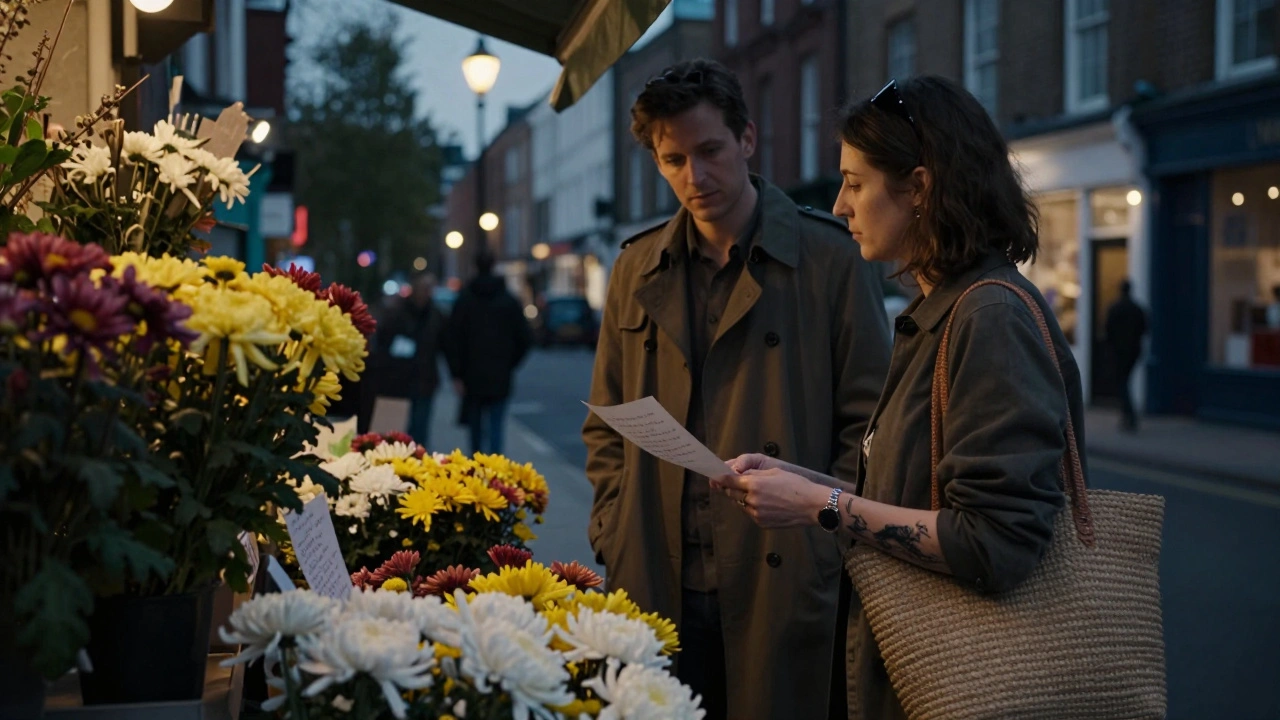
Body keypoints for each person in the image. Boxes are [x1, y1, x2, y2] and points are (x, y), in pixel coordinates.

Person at [710, 76, 1084, 720]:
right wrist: (799, 484)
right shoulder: (940, 312)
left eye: (855, 183)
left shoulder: (989, 318)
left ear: (919, 188)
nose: (839, 205)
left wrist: (819, 504)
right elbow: (915, 494)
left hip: (963, 686)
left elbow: (995, 541)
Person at [582, 58, 891, 720]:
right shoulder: (636, 266)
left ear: (747, 139)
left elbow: (872, 426)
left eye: (710, 151)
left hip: (784, 573)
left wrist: (827, 539)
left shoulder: (831, 257)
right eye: (673, 160)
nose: (694, 177)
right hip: (656, 574)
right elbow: (606, 421)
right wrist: (614, 529)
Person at [444, 252, 533, 454]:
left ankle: (477, 464)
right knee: (496, 428)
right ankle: (494, 466)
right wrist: (509, 363)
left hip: (472, 375)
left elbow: (452, 339)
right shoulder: (508, 301)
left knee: (475, 430)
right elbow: (525, 338)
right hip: (499, 375)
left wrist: (457, 373)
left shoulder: (465, 300)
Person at [373, 271, 447, 447]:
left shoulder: (436, 316)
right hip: (396, 381)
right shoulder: (396, 314)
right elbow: (383, 344)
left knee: (419, 432)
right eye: (423, 288)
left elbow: (446, 345)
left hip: (424, 381)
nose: (426, 293)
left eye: (429, 288)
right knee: (392, 434)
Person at [1104, 278, 1148, 432]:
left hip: (1119, 351)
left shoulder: (1115, 309)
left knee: (1122, 383)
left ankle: (1129, 415)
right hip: (1133, 351)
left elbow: (1108, 330)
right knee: (1125, 381)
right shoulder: (1137, 309)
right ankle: (1128, 415)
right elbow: (1145, 329)